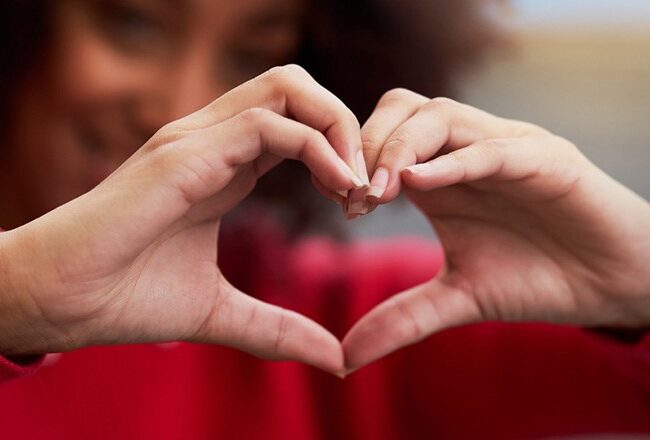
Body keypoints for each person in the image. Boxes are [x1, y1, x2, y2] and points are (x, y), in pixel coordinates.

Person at [1, 0, 649, 438]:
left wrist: (637, 271)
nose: (176, 109)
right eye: (134, 24)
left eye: (249, 56)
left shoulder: (336, 331)